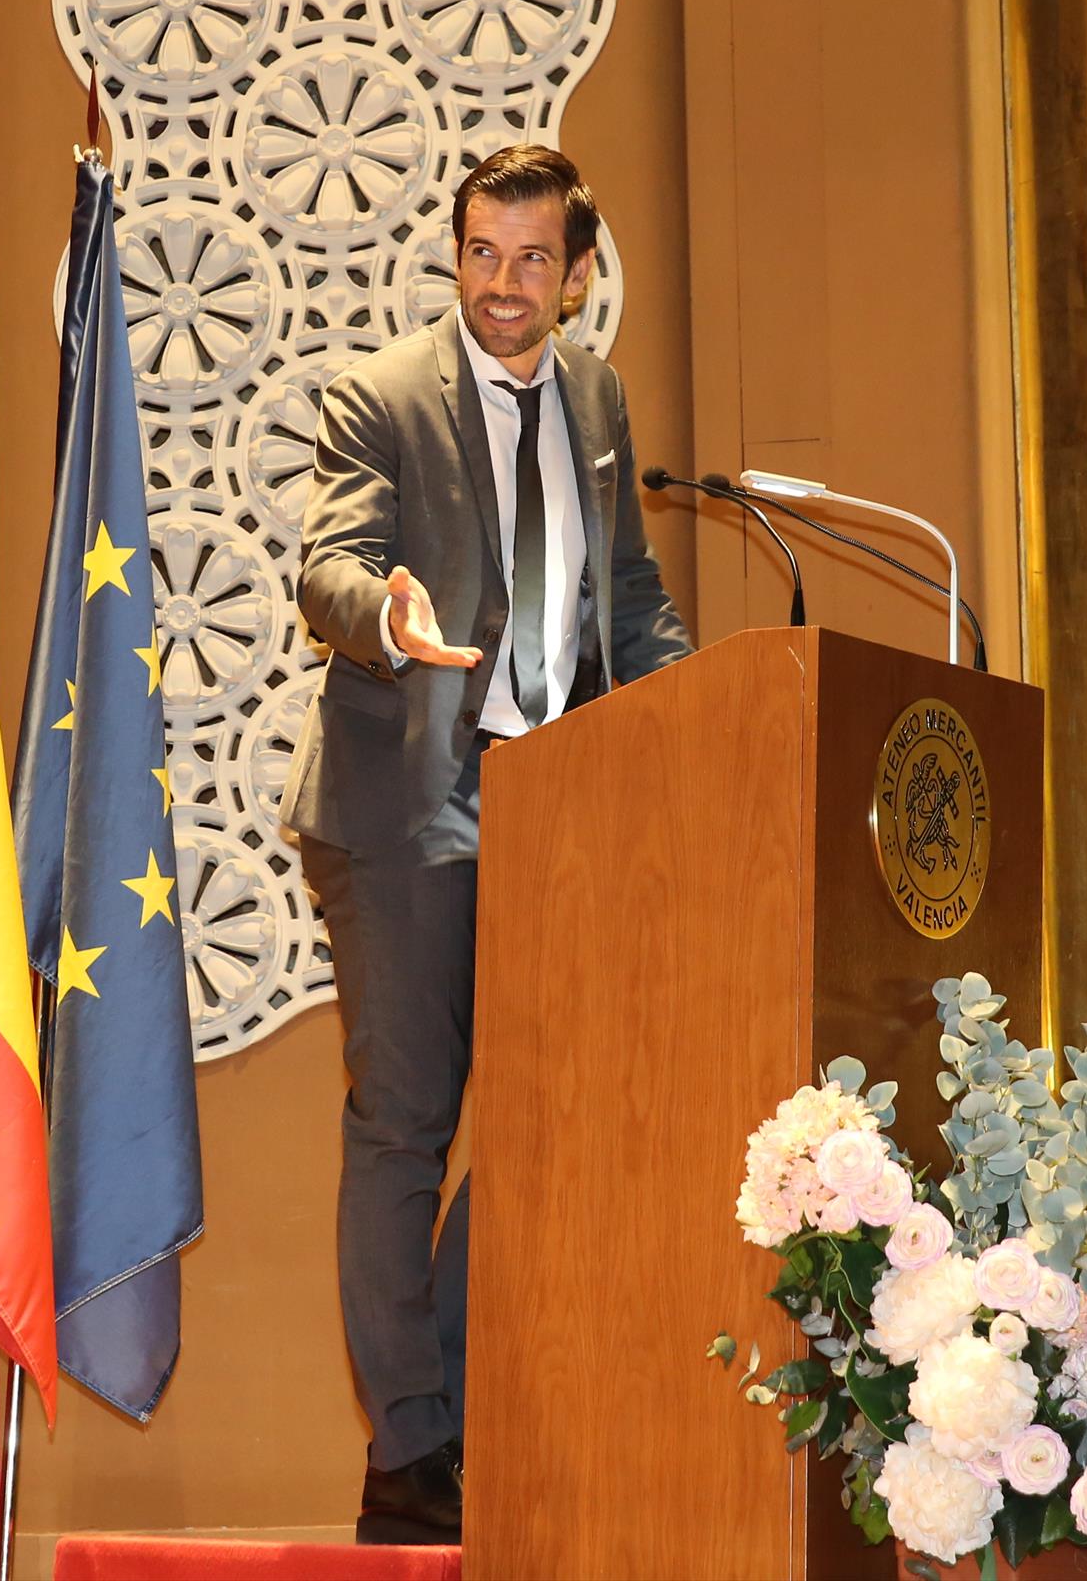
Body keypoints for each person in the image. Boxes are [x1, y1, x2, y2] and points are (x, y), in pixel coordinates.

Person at [281, 143, 692, 1544]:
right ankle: (410, 1457)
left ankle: (453, 1410)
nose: (503, 286)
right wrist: (386, 618)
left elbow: (626, 594)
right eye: (481, 254)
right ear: (456, 255)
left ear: (576, 276)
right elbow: (328, 569)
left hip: (555, 811)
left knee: (549, 1117)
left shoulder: (598, 398)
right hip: (408, 807)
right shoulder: (382, 395)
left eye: (532, 261)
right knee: (406, 1124)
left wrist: (700, 702)